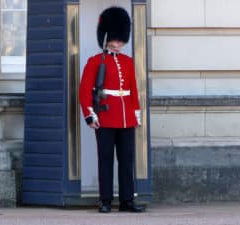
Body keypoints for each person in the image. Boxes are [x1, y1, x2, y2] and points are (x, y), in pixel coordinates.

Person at [79, 6, 146, 213]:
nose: (118, 43)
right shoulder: (94, 62)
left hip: (126, 118)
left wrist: (136, 112)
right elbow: (84, 91)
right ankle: (105, 200)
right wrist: (90, 115)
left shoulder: (128, 61)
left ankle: (127, 201)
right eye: (115, 39)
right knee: (106, 160)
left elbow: (133, 90)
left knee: (126, 161)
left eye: (120, 39)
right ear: (106, 38)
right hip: (106, 117)